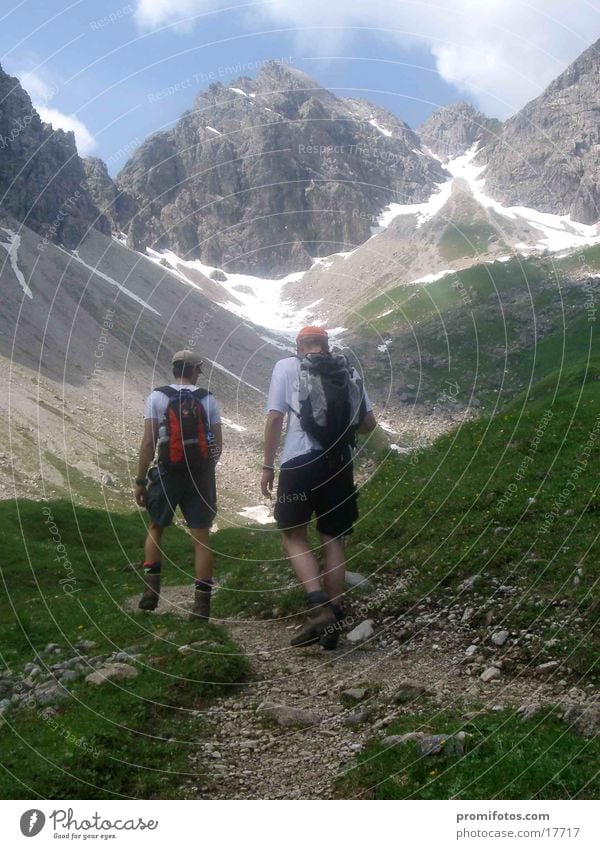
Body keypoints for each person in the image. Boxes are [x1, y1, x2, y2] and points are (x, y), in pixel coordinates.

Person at [261, 326, 376, 648]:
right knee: (333, 537)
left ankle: (318, 604)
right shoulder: (346, 369)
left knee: (293, 535)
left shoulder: (286, 366)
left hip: (300, 463)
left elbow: (273, 418)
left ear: (300, 345)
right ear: (326, 346)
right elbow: (368, 424)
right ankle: (335, 617)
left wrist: (268, 466)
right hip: (339, 464)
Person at [134, 349, 222, 621]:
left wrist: (140, 481)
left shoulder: (157, 397)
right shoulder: (207, 399)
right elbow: (218, 445)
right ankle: (201, 608)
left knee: (155, 528)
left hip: (166, 472)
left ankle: (150, 593)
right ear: (195, 371)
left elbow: (149, 442)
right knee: (201, 538)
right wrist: (205, 468)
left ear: (174, 369)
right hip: (200, 476)